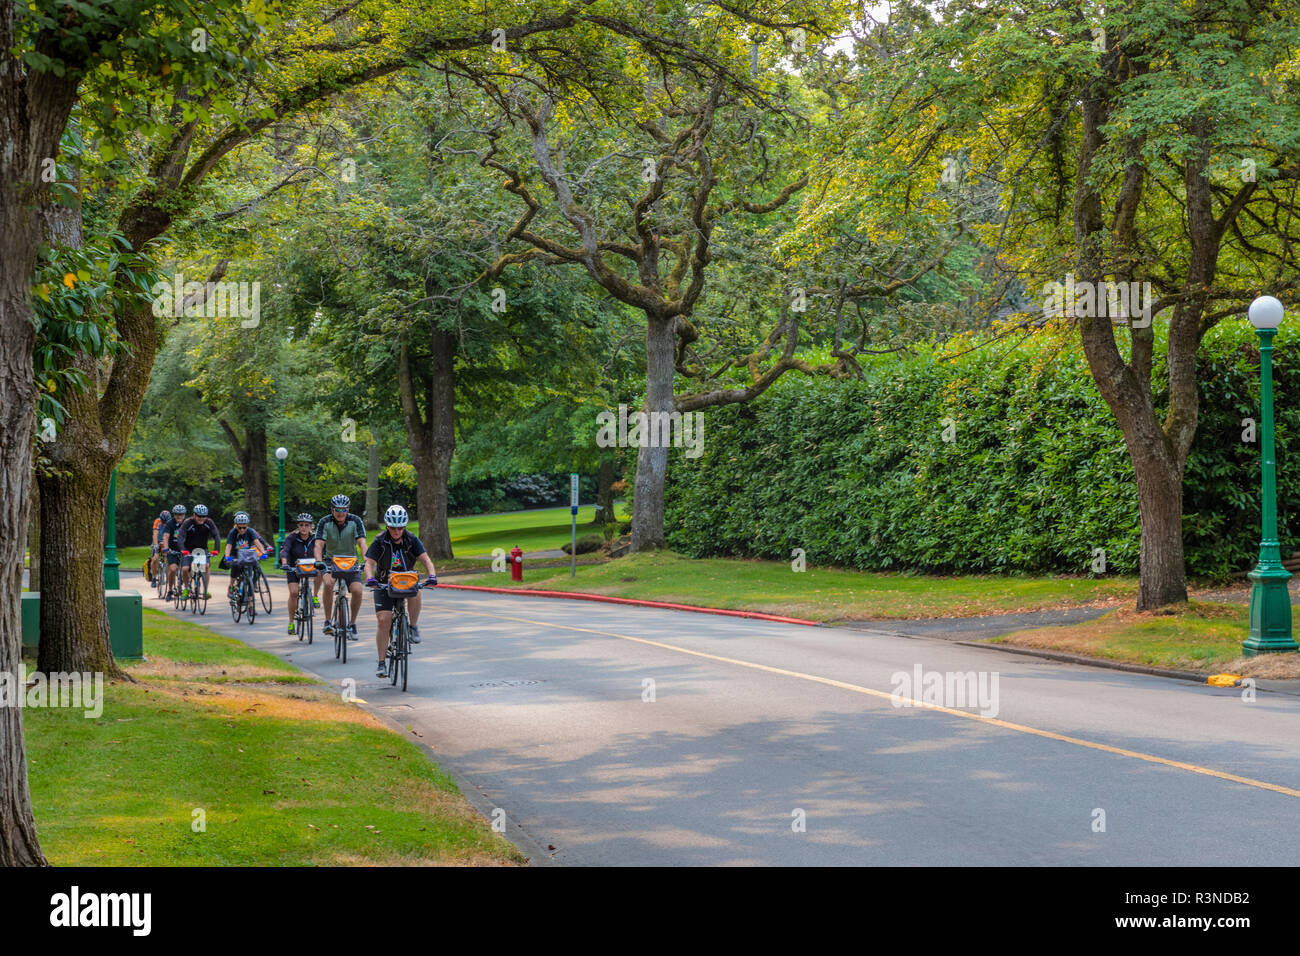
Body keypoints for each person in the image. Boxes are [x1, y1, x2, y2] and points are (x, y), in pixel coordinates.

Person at [364, 504, 436, 678]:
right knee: (384, 620)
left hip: (406, 582)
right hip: (384, 584)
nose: (396, 531)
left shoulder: (411, 539)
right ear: (387, 526)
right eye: (393, 528)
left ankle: (412, 627)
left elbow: (426, 560)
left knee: (417, 590)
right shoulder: (380, 540)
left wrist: (432, 575)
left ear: (404, 526)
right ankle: (381, 663)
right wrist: (370, 579)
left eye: (400, 528)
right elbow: (369, 563)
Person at [314, 494, 367, 641]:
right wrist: (319, 562)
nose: (340, 512)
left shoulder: (355, 521)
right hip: (330, 560)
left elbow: (362, 542)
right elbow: (318, 544)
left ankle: (352, 624)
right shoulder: (324, 522)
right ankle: (327, 621)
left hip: (351, 561)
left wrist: (366, 559)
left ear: (348, 509)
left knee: (357, 590)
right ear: (332, 510)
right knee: (329, 583)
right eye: (337, 509)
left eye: (344, 509)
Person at [280, 514, 319, 635]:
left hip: (310, 566)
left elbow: (324, 550)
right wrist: (285, 563)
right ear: (298, 526)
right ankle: (291, 622)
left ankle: (315, 596)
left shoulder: (316, 537)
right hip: (294, 567)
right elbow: (285, 550)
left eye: (307, 525)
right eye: (301, 525)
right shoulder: (292, 537)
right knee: (294, 593)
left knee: (321, 572)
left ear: (311, 526)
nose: (304, 528)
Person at [221, 511, 272, 596]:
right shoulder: (232, 532)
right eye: (239, 527)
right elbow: (228, 546)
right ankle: (231, 586)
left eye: (244, 527)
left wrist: (263, 553)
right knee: (235, 566)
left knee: (254, 569)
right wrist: (227, 556)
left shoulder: (250, 531)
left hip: (247, 555)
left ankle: (251, 592)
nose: (242, 529)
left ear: (247, 525)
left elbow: (257, 542)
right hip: (235, 554)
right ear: (236, 525)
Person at [176, 505, 221, 600]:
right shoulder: (188, 522)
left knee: (206, 566)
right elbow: (180, 536)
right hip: (188, 549)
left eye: (203, 516)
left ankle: (205, 590)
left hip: (202, 549)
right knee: (185, 569)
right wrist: (182, 549)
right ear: (194, 515)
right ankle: (187, 588)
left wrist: (216, 549)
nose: (201, 518)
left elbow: (216, 535)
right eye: (199, 516)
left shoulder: (209, 522)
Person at [159, 504, 187, 599]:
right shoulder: (170, 523)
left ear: (184, 515)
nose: (179, 516)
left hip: (185, 550)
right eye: (177, 514)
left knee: (188, 569)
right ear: (174, 515)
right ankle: (170, 590)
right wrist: (166, 549)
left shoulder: (187, 523)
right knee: (173, 569)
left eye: (181, 514)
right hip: (173, 550)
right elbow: (166, 536)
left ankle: (188, 588)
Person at [147, 510, 169, 585]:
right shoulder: (157, 521)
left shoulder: (171, 522)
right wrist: (156, 545)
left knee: (169, 557)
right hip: (158, 542)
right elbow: (155, 534)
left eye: (166, 522)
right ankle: (153, 577)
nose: (164, 523)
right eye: (163, 521)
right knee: (155, 559)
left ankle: (167, 575)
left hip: (166, 542)